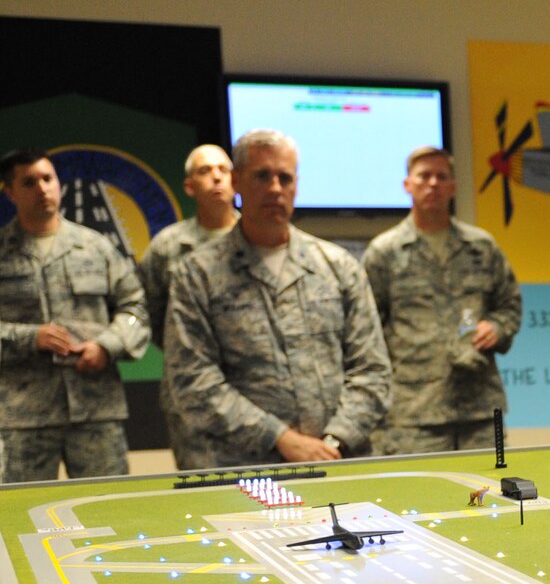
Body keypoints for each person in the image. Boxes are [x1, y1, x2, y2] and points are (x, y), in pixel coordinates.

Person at [163, 130, 390, 469]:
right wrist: (281, 439)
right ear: (236, 182)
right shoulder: (198, 274)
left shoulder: (338, 267)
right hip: (242, 468)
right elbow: (193, 381)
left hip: (339, 462)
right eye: (262, 176)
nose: (274, 188)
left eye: (285, 178)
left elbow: (372, 369)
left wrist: (332, 441)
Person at [0, 149, 148, 482]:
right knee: (22, 518)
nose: (42, 189)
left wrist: (107, 346)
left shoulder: (95, 247)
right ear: (10, 192)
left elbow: (135, 306)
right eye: (29, 182)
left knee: (111, 508)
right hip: (23, 416)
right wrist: (29, 338)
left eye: (48, 179)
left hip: (95, 408)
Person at [363, 146, 522, 453]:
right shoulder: (384, 252)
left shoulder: (480, 247)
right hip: (413, 413)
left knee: (488, 494)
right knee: (417, 498)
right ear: (407, 185)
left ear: (453, 187)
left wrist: (497, 327)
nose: (433, 183)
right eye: (424, 176)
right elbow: (366, 328)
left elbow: (509, 304)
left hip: (479, 409)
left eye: (441, 176)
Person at [138, 143, 237, 468]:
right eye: (205, 171)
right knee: (204, 485)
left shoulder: (255, 239)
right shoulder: (168, 247)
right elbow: (150, 315)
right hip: (189, 394)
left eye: (223, 170)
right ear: (189, 186)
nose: (217, 178)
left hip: (254, 385)